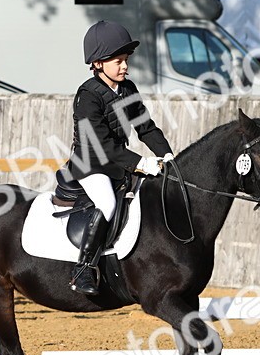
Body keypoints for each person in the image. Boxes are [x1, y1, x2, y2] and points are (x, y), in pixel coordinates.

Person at [59, 20, 174, 294]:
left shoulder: (127, 89)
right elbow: (100, 144)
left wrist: (167, 155)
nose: (124, 66)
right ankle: (83, 269)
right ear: (98, 63)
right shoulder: (87, 95)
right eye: (118, 61)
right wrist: (141, 163)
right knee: (108, 202)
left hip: (117, 164)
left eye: (125, 60)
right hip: (89, 164)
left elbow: (145, 127)